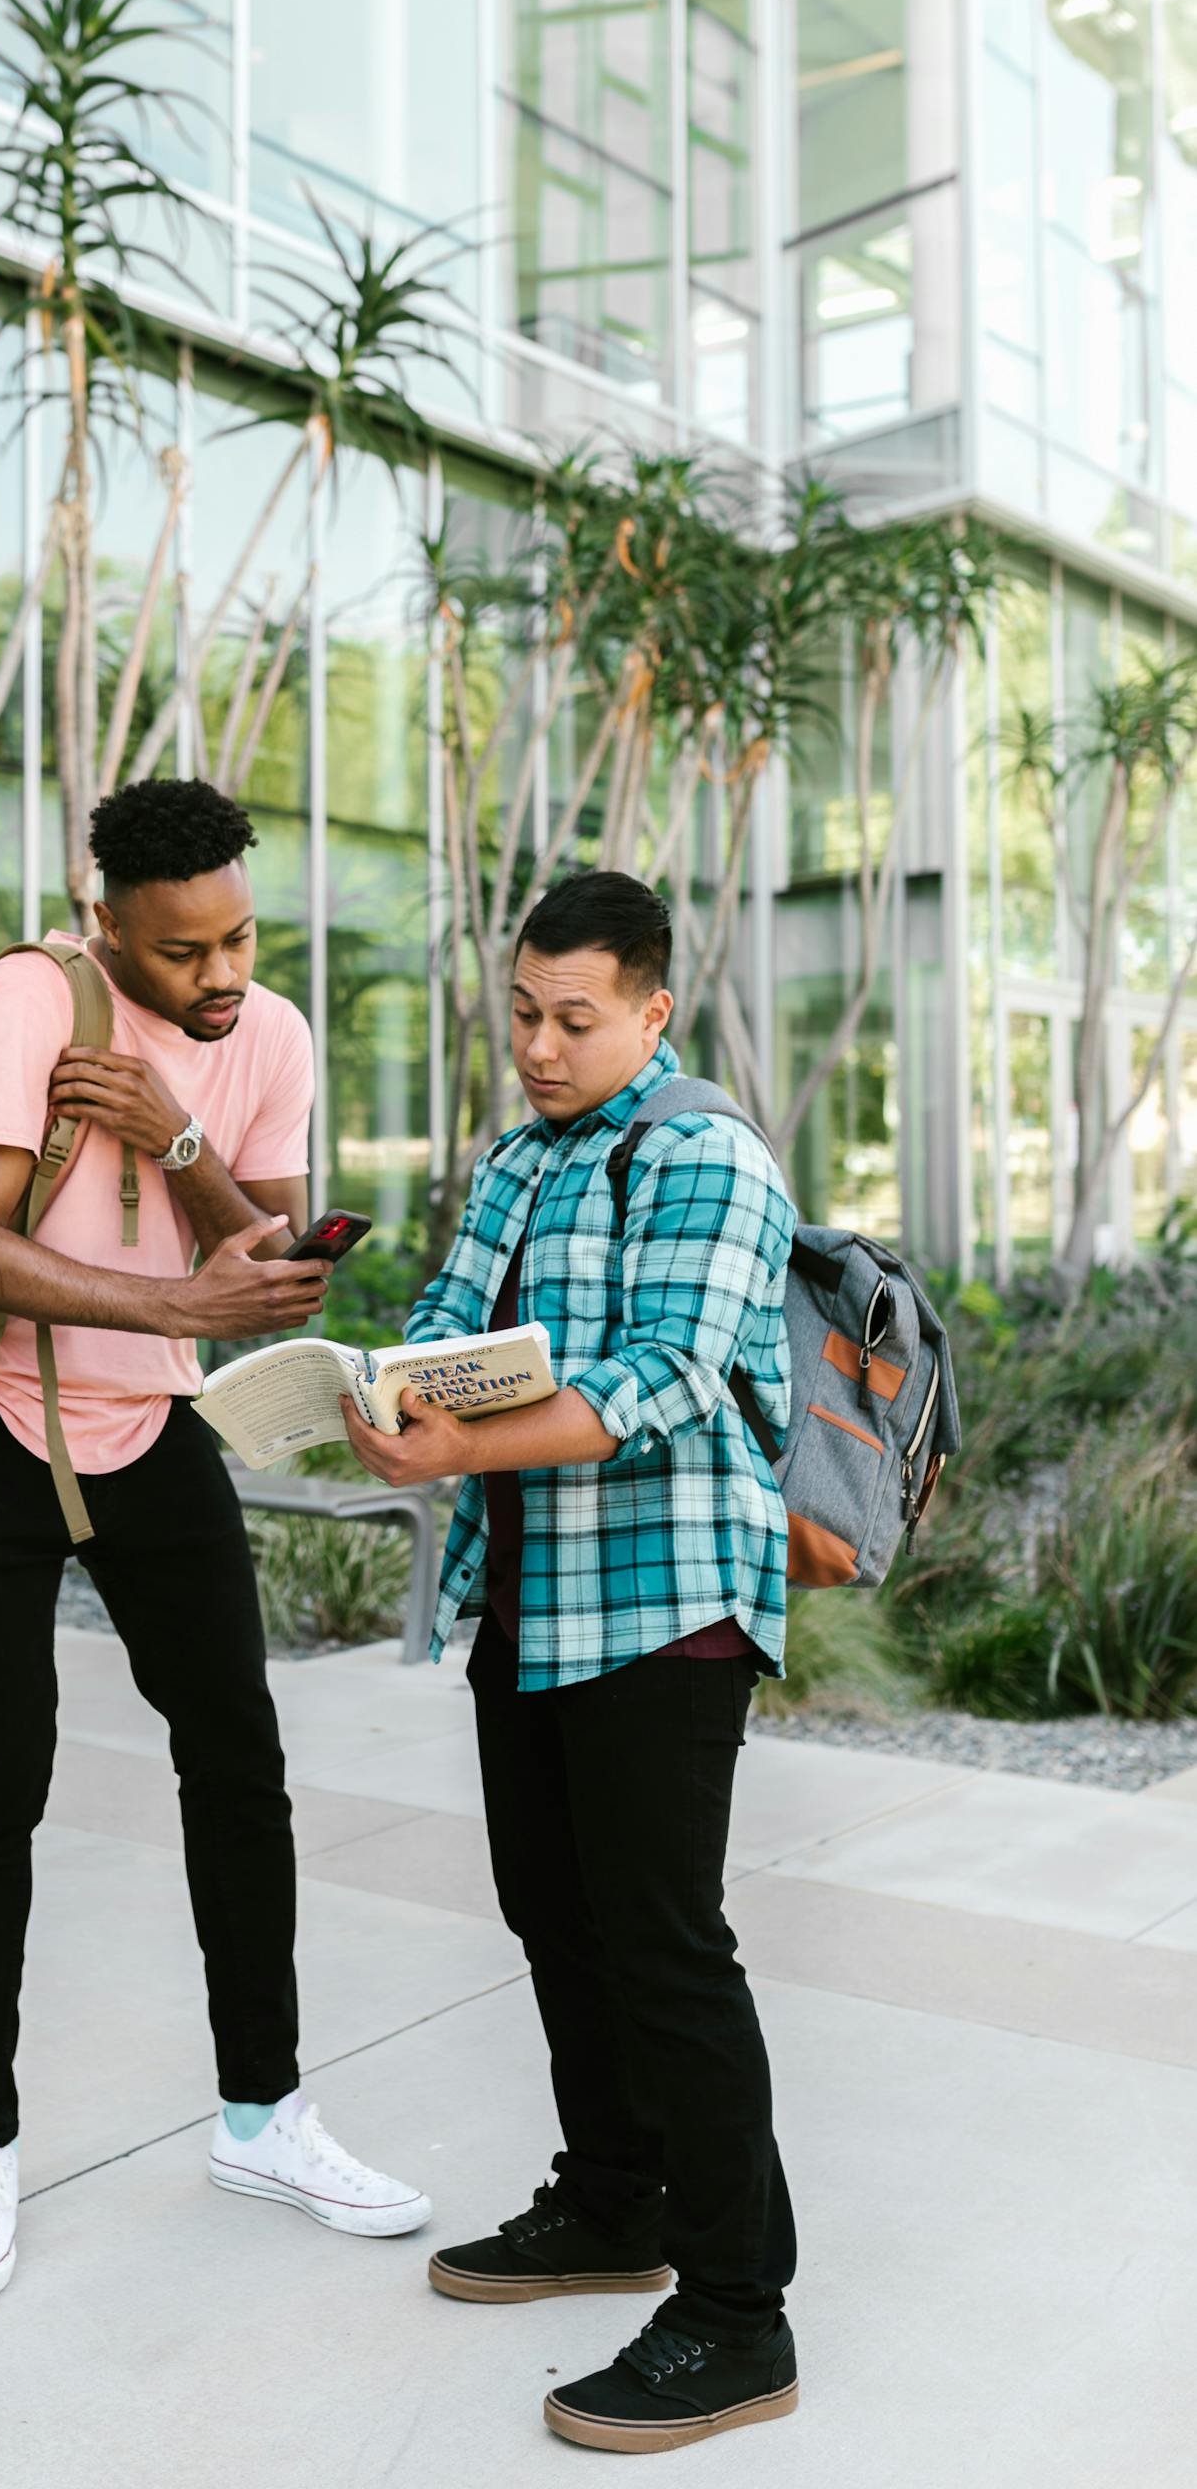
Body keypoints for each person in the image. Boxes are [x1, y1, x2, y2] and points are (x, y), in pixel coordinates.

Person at [0, 777, 431, 2300]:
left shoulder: (265, 1035)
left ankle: (263, 2115)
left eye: (239, 936)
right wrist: (177, 1305)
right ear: (107, 929)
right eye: (183, 950)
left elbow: (260, 1256)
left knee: (239, 1762)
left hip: (157, 1432)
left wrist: (177, 1130)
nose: (222, 973)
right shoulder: (30, 1002)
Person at [342, 870, 799, 2456]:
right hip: (528, 1596)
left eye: (575, 1018)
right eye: (523, 1013)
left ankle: (742, 2313)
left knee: (666, 1943)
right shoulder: (518, 1161)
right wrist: (385, 1396)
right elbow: (448, 1316)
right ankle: (616, 2202)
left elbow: (656, 1379)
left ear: (653, 1010)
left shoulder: (708, 1156)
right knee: (556, 1911)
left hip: (668, 1604)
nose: (538, 1045)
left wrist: (457, 1438)